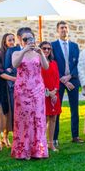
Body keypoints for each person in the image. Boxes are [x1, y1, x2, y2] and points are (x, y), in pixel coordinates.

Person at [11, 29, 49, 160]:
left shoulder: (38, 53)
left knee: (38, 118)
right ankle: (22, 150)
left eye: (30, 39)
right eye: (25, 39)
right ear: (21, 40)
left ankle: (38, 150)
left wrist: (41, 53)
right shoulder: (16, 52)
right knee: (24, 118)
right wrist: (24, 50)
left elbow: (46, 67)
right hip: (22, 89)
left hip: (37, 88)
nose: (28, 41)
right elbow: (15, 64)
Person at [51, 21, 82, 145]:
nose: (64, 30)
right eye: (61, 28)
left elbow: (78, 63)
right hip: (58, 80)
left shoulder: (74, 46)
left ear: (68, 30)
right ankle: (54, 138)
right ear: (58, 30)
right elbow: (52, 63)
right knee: (57, 109)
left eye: (65, 28)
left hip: (73, 79)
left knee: (74, 108)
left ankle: (75, 136)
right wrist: (61, 78)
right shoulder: (53, 45)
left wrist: (69, 76)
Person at [0, 33, 15, 151]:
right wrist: (13, 78)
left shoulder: (15, 54)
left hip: (11, 88)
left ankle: (5, 137)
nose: (12, 42)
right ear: (4, 41)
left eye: (13, 39)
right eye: (9, 40)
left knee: (9, 114)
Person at [39, 42, 61, 152]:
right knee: (44, 119)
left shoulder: (54, 63)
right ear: (40, 49)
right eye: (44, 48)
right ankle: (41, 144)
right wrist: (48, 92)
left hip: (54, 95)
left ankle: (51, 143)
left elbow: (57, 78)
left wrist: (55, 91)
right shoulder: (38, 63)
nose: (47, 50)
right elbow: (38, 80)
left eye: (48, 48)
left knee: (53, 119)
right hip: (44, 94)